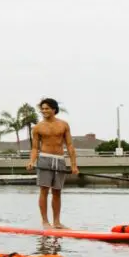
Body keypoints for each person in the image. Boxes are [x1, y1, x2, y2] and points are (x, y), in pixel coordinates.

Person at [26, 97, 79, 229]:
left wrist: (73, 165)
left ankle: (57, 222)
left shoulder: (64, 125)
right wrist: (32, 161)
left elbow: (70, 145)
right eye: (42, 109)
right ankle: (45, 222)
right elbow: (34, 148)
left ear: (54, 109)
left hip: (60, 160)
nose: (44, 111)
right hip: (44, 159)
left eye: (47, 108)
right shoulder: (38, 127)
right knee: (44, 190)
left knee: (57, 192)